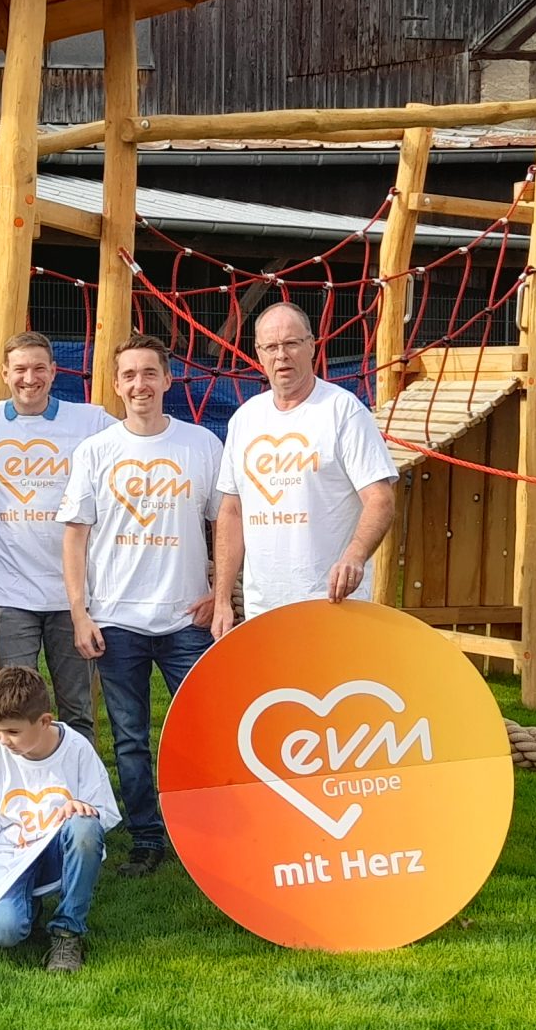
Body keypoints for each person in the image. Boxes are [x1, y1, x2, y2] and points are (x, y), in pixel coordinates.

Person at [60, 337, 223, 879]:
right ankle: (147, 839)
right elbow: (74, 536)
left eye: (149, 373)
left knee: (201, 731)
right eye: (128, 375)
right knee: (130, 740)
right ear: (115, 384)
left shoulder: (201, 444)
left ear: (168, 379)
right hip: (117, 621)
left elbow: (226, 521)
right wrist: (80, 613)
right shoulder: (96, 451)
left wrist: (222, 591)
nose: (139, 385)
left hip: (187, 617)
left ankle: (205, 831)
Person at [0, 329, 111, 729]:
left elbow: (129, 456)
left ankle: (78, 771)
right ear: (4, 374)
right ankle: (22, 771)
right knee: (16, 707)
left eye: (39, 369)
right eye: (21, 369)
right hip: (12, 593)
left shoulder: (90, 421)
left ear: (54, 371)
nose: (30, 378)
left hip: (74, 593)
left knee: (78, 709)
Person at [211, 301, 399, 637]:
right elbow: (231, 511)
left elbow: (380, 498)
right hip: (263, 608)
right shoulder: (245, 419)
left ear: (311, 345)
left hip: (333, 604)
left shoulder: (342, 411)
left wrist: (354, 556)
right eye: (271, 347)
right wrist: (222, 598)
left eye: (291, 343)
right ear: (258, 353)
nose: (281, 355)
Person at [0, 666, 119, 973]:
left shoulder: (77, 748)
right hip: (11, 856)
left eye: (12, 732)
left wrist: (83, 807)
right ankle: (28, 908)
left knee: (85, 826)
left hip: (57, 851)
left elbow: (103, 814)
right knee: (2, 931)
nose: (3, 739)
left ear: (44, 721)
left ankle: (67, 933)